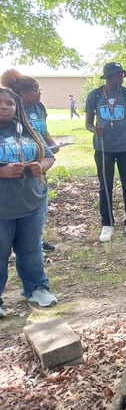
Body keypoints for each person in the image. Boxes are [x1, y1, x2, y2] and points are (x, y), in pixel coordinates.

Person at [0, 87, 57, 318]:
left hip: (32, 203)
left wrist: (39, 166)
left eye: (9, 104)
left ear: (17, 108)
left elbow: (48, 155)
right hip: (3, 208)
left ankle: (36, 289)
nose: (4, 107)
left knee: (31, 249)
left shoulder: (28, 131)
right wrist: (2, 172)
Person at [1, 69, 59, 252]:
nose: (40, 92)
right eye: (36, 90)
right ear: (24, 94)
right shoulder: (13, 115)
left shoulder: (39, 108)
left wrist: (50, 145)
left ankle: (36, 239)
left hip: (35, 165)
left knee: (36, 199)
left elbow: (43, 131)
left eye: (9, 104)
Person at [85, 62, 126, 242]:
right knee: (105, 186)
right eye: (118, 74)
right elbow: (87, 123)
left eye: (122, 74)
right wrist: (95, 129)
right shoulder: (94, 95)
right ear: (109, 76)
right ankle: (107, 224)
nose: (121, 77)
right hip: (103, 149)